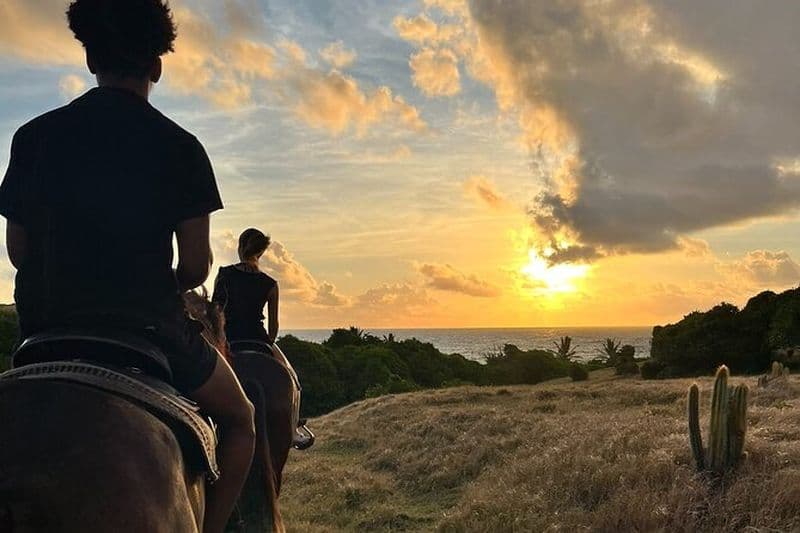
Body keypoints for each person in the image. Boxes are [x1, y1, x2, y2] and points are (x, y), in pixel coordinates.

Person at [0, 2, 254, 532]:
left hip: (42, 336)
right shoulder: (182, 147)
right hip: (148, 331)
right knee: (242, 421)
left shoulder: (32, 137)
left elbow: (18, 253)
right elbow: (193, 267)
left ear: (90, 57)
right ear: (157, 66)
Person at [213, 228, 280, 346]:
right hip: (258, 340)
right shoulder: (271, 284)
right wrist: (269, 344)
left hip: (228, 338)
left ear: (240, 248)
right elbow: (273, 327)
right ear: (261, 252)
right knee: (283, 364)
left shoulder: (224, 274)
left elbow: (214, 311)